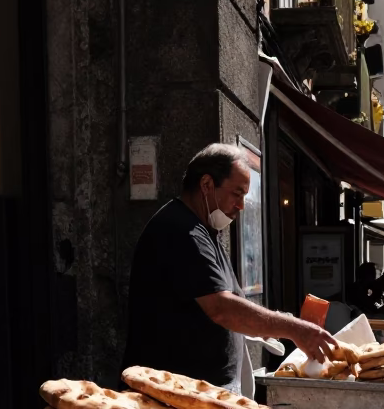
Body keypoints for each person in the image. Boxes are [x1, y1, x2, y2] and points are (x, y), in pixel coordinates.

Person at [123, 144, 337, 389]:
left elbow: (232, 304)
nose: (241, 205)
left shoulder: (205, 231)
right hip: (173, 394)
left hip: (200, 391)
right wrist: (294, 329)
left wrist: (283, 323)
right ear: (206, 185)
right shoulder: (181, 230)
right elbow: (221, 308)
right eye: (237, 194)